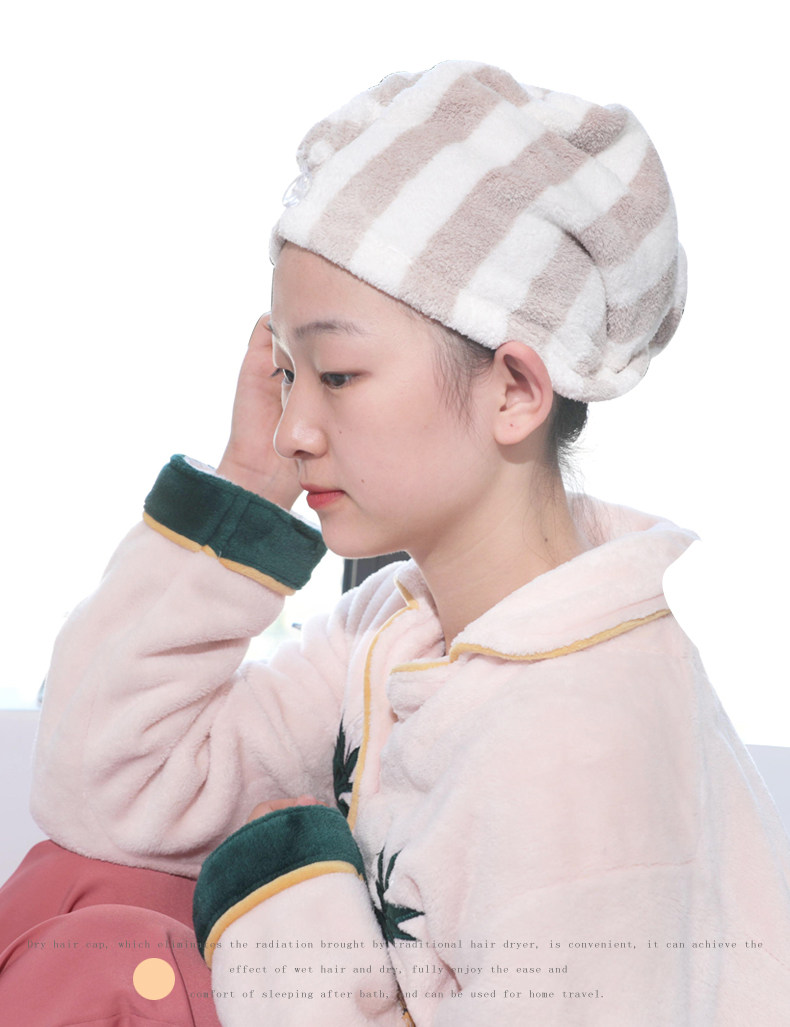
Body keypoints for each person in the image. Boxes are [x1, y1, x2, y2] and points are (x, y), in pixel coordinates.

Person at [2, 59, 789, 1026]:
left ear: (515, 391)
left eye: (336, 373)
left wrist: (286, 901)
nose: (293, 428)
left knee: (108, 967)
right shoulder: (398, 624)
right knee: (74, 889)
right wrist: (245, 483)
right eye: (287, 373)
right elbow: (104, 792)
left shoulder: (586, 741)